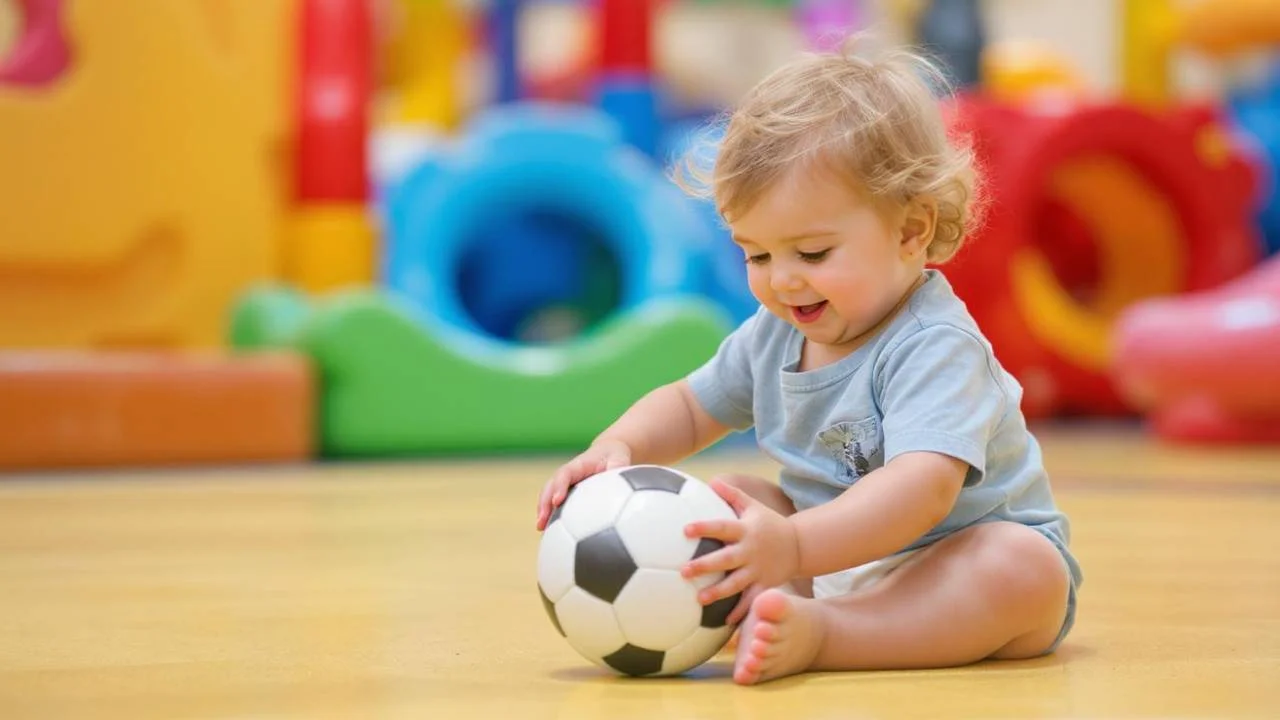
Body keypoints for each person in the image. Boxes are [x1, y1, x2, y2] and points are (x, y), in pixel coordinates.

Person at [534, 36, 1081, 686]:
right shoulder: (776, 334)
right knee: (736, 498)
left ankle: (832, 634)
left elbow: (923, 490)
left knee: (1020, 567)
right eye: (757, 255)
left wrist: (794, 546)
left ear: (911, 230)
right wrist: (619, 445)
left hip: (950, 563)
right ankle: (785, 612)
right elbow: (688, 406)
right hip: (827, 560)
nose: (783, 280)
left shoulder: (934, 345)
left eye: (813, 253)